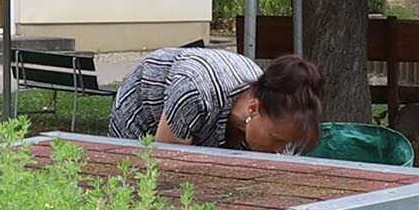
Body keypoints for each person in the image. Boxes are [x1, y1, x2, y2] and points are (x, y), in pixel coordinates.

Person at [107, 43, 327, 153]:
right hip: (141, 109)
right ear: (253, 109)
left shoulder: (282, 118)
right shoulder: (194, 91)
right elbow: (167, 166)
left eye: (287, 142)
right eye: (277, 139)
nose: (281, 150)